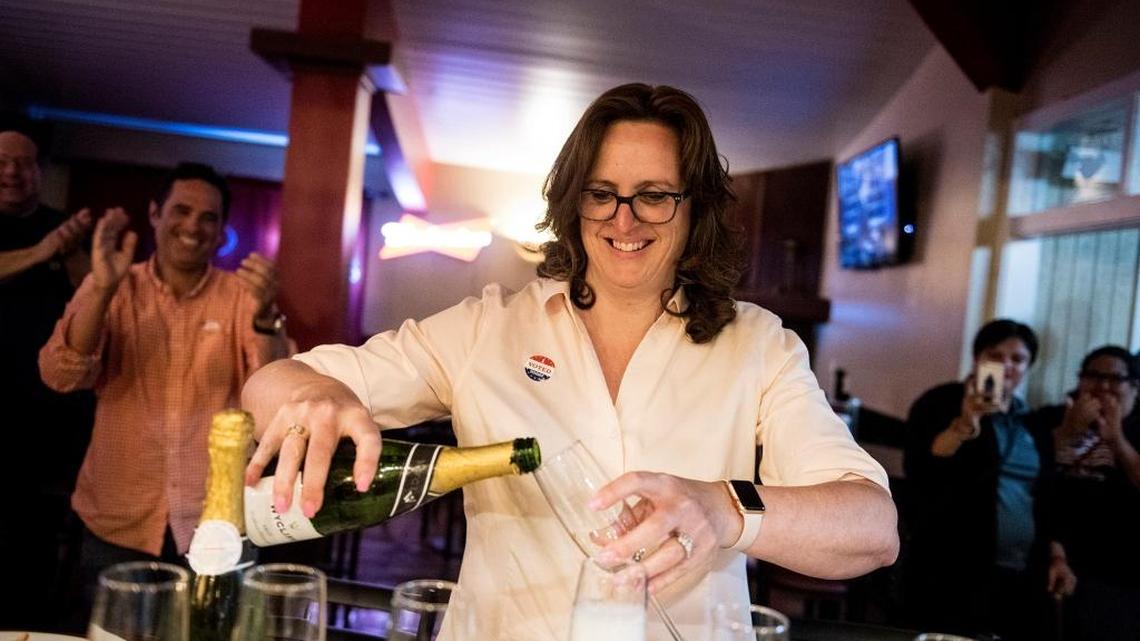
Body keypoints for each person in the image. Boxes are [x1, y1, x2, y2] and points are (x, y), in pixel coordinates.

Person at [240, 83, 898, 641]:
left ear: (694, 207)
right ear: (572, 201)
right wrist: (310, 395)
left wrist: (728, 507)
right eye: (601, 191)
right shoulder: (487, 328)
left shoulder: (758, 344)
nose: (624, 217)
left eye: (654, 194)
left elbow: (873, 527)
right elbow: (271, 381)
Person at [39, 161, 291, 626]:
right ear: (154, 214)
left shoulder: (241, 297)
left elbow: (275, 401)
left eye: (208, 218)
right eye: (181, 210)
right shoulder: (114, 285)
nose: (192, 226)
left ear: (221, 234)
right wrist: (101, 287)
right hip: (118, 517)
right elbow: (61, 373)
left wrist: (264, 319)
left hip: (216, 522)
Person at [902, 319, 1075, 641]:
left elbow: (1045, 495)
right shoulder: (940, 402)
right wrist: (966, 423)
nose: (1007, 366)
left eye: (1018, 359)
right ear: (978, 358)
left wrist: (1056, 554)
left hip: (1022, 573)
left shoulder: (1032, 422)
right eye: (996, 355)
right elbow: (922, 468)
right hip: (952, 567)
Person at [0, 122, 97, 630]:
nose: (13, 172)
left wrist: (77, 255)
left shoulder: (65, 230)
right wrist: (42, 252)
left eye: (24, 162)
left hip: (48, 425)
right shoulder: (47, 240)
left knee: (32, 554)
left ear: (39, 171)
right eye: (2, 162)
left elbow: (99, 306)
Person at [1034, 345, 1140, 641]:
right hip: (1049, 562)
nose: (1103, 386)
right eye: (1093, 376)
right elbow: (1029, 476)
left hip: (1120, 576)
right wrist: (1067, 432)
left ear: (1134, 387)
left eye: (1115, 379)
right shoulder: (1052, 418)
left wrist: (1117, 440)